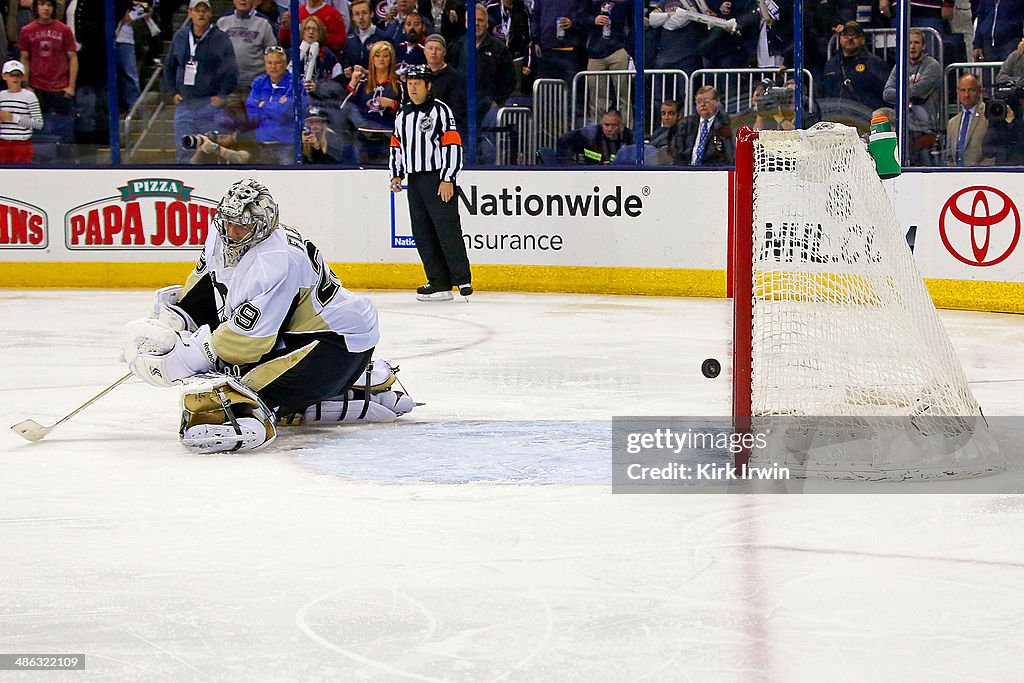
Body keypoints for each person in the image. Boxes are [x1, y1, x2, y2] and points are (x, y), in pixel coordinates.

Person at [121, 178, 415, 454]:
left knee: (230, 400)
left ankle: (350, 384)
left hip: (334, 345)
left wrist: (183, 359)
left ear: (261, 228)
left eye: (241, 227)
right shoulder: (221, 233)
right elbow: (207, 281)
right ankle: (350, 386)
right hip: (300, 333)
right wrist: (179, 318)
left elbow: (250, 340)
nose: (231, 232)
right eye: (228, 223)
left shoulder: (275, 259)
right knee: (226, 377)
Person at [388, 64, 472, 301]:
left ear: (428, 86)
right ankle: (438, 282)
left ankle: (463, 279)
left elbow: (453, 145)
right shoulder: (402, 114)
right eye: (409, 84)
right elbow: (397, 146)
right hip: (414, 181)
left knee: (447, 229)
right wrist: (396, 174)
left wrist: (448, 178)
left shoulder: (441, 111)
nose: (413, 88)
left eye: (417, 84)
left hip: (437, 178)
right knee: (422, 232)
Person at [163, 0, 239, 164]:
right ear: (190, 13)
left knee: (211, 153)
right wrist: (173, 92)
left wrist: (222, 95)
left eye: (205, 10)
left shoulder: (220, 37)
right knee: (185, 154)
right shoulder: (181, 36)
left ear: (210, 13)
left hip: (210, 106)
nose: (201, 14)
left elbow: (232, 71)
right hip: (185, 105)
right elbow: (169, 66)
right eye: (197, 10)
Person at [18, 0, 76, 143]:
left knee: (65, 135)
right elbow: (24, 58)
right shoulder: (26, 30)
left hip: (60, 88)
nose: (45, 8)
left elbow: (73, 58)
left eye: (49, 5)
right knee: (37, 132)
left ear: (54, 8)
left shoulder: (64, 30)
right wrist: (26, 85)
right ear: (36, 7)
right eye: (42, 4)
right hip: (37, 88)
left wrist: (71, 86)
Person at [882, 28, 942, 165]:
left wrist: (900, 92)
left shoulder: (932, 66)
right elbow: (886, 93)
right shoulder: (900, 66)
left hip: (925, 127)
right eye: (909, 43)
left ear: (924, 46)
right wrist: (908, 93)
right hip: (904, 126)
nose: (912, 47)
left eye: (916, 43)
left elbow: (920, 91)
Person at [820, 21, 889, 130]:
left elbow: (885, 93)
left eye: (855, 35)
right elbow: (825, 92)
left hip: (864, 120)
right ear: (840, 38)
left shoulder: (874, 63)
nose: (850, 39)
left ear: (862, 39)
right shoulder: (831, 64)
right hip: (836, 121)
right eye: (846, 35)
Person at [343, 39, 402, 163]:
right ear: (372, 59)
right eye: (377, 56)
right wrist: (353, 82)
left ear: (391, 59)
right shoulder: (363, 83)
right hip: (363, 138)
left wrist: (392, 104)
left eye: (386, 56)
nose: (381, 59)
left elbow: (407, 111)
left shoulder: (399, 85)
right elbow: (345, 105)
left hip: (388, 138)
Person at [246, 45, 303, 164]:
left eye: (277, 63)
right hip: (262, 145)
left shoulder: (294, 84)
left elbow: (286, 113)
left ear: (285, 63)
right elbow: (251, 112)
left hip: (287, 146)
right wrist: (276, 105)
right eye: (269, 63)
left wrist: (262, 105)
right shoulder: (259, 82)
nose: (273, 67)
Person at [582, 0, 632, 118]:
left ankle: (626, 130)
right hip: (595, 52)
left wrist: (628, 49)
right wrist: (593, 20)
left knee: (623, 94)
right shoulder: (590, 2)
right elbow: (579, 18)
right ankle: (599, 130)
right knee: (597, 97)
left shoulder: (624, 2)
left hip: (618, 49)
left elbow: (633, 23)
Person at [217, 0, 278, 92]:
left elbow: (273, 54)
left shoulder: (264, 22)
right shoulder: (223, 21)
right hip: (228, 85)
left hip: (256, 85)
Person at [673, 85, 734, 166]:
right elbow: (678, 152)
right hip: (687, 170)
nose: (702, 104)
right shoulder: (686, 123)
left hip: (712, 171)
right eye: (699, 101)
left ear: (717, 102)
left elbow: (727, 155)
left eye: (706, 101)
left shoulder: (723, 124)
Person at [0, 59, 42, 162]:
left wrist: (13, 118)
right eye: (11, 75)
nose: (15, 78)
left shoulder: (29, 96)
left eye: (17, 75)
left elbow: (38, 124)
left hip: (22, 145)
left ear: (22, 77)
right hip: (3, 144)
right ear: (4, 76)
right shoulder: (1, 96)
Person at [556, 107, 633, 164]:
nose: (609, 129)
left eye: (614, 125)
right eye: (606, 125)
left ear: (621, 126)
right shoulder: (590, 134)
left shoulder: (629, 137)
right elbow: (564, 140)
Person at [423, 32, 467, 129]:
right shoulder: (420, 76)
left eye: (438, 49)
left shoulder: (455, 78)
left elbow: (459, 109)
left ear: (444, 52)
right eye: (430, 48)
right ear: (424, 51)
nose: (433, 52)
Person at [946, 73, 991, 166]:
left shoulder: (989, 116)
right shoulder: (952, 123)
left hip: (983, 177)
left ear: (980, 92)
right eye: (962, 90)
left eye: (971, 90)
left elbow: (994, 155)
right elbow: (949, 158)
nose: (966, 95)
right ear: (958, 92)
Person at [342, 0, 390, 78]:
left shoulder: (383, 38)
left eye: (364, 13)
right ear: (353, 17)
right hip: (356, 85)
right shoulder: (349, 40)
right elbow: (346, 64)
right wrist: (348, 72)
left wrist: (366, 73)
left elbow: (388, 69)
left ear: (371, 14)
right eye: (357, 14)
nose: (361, 17)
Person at [278, 0, 347, 53]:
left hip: (325, 61)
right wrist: (286, 28)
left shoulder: (333, 14)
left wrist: (319, 38)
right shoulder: (297, 13)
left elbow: (340, 42)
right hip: (300, 60)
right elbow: (286, 44)